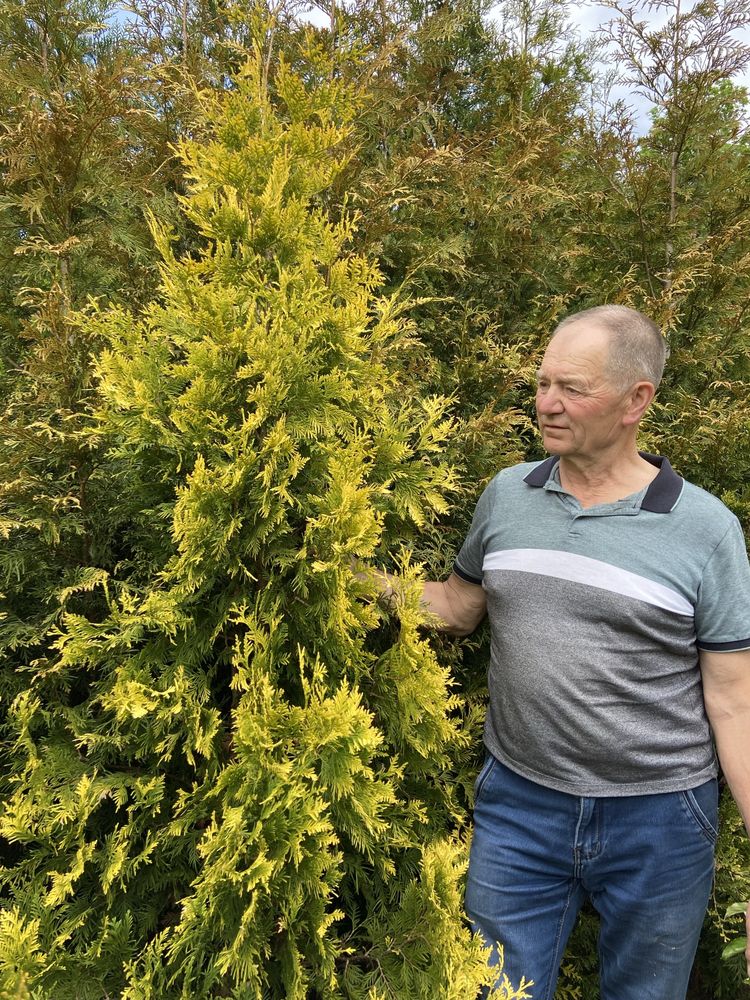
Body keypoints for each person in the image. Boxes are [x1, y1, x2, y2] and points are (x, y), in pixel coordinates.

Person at [363, 305, 750, 999]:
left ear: (638, 400)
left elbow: (734, 700)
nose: (547, 403)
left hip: (659, 818)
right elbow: (456, 607)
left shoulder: (705, 530)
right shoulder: (508, 496)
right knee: (490, 992)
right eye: (542, 383)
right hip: (519, 803)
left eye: (571, 388)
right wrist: (347, 577)